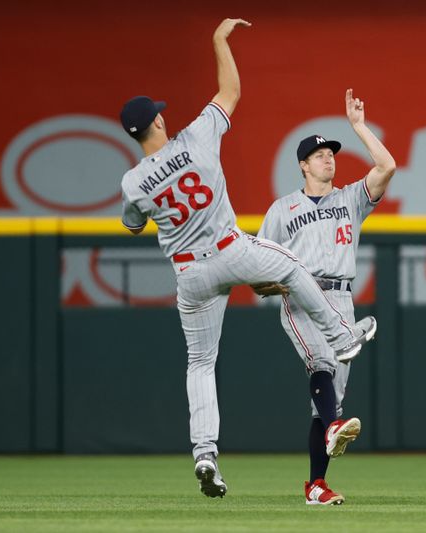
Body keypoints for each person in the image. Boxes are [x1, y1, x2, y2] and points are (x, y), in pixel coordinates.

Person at [118, 18, 376, 499]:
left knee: (200, 363)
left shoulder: (132, 182)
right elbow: (231, 90)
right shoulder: (195, 137)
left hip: (189, 273)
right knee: (295, 266)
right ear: (157, 122)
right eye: (158, 114)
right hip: (229, 248)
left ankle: (204, 454)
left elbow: (133, 223)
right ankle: (342, 336)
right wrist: (218, 40)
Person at [257, 89, 396, 505]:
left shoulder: (350, 199)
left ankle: (316, 485)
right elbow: (257, 272)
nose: (328, 158)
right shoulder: (282, 210)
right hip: (301, 296)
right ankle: (335, 426)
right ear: (302, 164)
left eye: (331, 153)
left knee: (326, 405)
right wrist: (279, 284)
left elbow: (387, 165)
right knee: (320, 363)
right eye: (319, 155)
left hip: (341, 301)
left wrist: (357, 127)